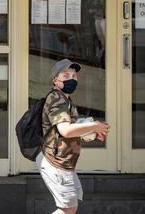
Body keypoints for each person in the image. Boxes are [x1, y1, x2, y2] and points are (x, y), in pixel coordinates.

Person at [35, 59, 110, 214]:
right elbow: (66, 131)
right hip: (56, 162)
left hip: (64, 163)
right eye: (66, 75)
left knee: (70, 208)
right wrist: (94, 125)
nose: (71, 79)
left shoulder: (66, 99)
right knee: (67, 209)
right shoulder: (56, 98)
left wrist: (92, 133)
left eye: (74, 76)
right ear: (55, 79)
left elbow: (69, 131)